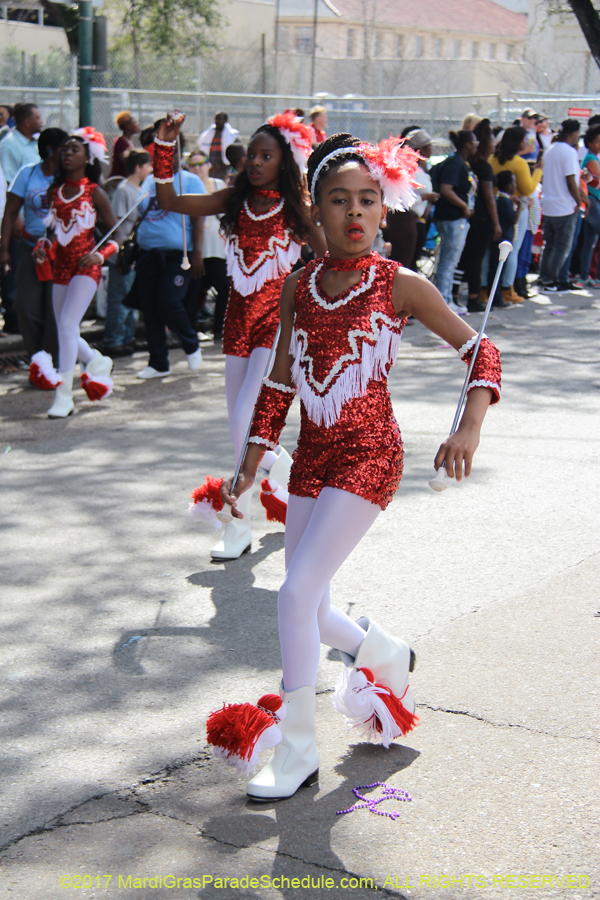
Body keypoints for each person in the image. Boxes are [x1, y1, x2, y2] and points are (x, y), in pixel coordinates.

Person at [207, 132, 502, 802]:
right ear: (316, 209)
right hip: (311, 456)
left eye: (368, 200)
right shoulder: (297, 287)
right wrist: (252, 466)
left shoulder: (403, 285)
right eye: (339, 200)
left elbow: (480, 351)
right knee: (307, 601)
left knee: (292, 594)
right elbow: (278, 386)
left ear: (384, 208)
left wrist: (469, 428)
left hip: (371, 455)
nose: (355, 213)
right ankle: (383, 652)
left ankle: (300, 748)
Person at [155, 110, 325, 560]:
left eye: (265, 155)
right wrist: (163, 147)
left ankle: (237, 525)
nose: (254, 162)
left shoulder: (296, 210)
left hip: (278, 323)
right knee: (240, 422)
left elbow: (331, 261)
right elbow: (170, 201)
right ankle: (280, 466)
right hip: (236, 321)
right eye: (251, 154)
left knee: (242, 422)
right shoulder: (233, 201)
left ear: (283, 161)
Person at [33, 129, 120, 418]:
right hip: (61, 268)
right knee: (65, 328)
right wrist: (43, 247)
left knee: (68, 323)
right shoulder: (53, 192)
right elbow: (51, 231)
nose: (67, 153)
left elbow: (116, 234)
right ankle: (96, 360)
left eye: (74, 149)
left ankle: (64, 395)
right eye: (65, 150)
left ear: (88, 157)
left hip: (87, 266)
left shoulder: (96, 192)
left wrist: (100, 254)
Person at [127, 133, 205, 379]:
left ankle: (190, 342)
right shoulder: (149, 181)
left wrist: (198, 254)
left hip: (178, 254)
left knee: (168, 302)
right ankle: (158, 363)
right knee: (150, 308)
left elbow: (199, 218)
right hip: (148, 254)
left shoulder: (190, 181)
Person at [0, 127, 68, 379]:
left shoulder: (68, 179)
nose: (69, 153)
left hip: (60, 252)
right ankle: (37, 359)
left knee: (54, 309)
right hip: (29, 248)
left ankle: (51, 365)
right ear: (51, 150)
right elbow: (9, 213)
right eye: (65, 148)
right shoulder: (27, 174)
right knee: (26, 307)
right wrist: (4, 248)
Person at [103, 149, 153, 356]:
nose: (151, 169)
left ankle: (127, 337)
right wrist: (123, 250)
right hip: (124, 254)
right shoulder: (124, 190)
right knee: (120, 297)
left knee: (131, 296)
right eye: (148, 165)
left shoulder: (140, 190)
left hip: (136, 253)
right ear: (138, 167)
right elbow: (117, 223)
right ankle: (113, 339)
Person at [0, 102, 44, 334]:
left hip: (37, 220)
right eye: (38, 117)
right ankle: (14, 320)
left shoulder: (37, 144)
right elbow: (8, 182)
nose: (41, 121)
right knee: (15, 271)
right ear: (26, 121)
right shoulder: (9, 145)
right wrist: (14, 217)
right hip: (19, 219)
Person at [490, 126, 543, 303]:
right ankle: (507, 288)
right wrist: (539, 171)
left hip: (495, 206)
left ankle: (487, 289)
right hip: (516, 207)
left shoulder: (492, 159)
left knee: (492, 251)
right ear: (518, 142)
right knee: (512, 250)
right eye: (524, 139)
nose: (526, 143)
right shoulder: (519, 163)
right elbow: (528, 188)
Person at [433, 129, 478, 315]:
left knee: (452, 261)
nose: (477, 145)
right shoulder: (454, 163)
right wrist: (464, 207)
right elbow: (446, 189)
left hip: (458, 219)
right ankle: (442, 302)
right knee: (447, 261)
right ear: (468, 144)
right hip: (451, 218)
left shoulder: (462, 163)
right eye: (475, 142)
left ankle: (448, 299)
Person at [458, 118, 501, 312]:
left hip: (471, 215)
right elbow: (489, 197)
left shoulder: (471, 164)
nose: (495, 146)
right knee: (476, 257)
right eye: (492, 142)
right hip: (482, 217)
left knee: (466, 256)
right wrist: (497, 223)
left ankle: (457, 292)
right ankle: (474, 297)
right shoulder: (483, 166)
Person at [186, 149, 229, 340]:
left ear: (208, 164)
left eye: (201, 163)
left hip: (218, 250)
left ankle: (220, 328)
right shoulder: (186, 187)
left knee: (225, 289)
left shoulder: (219, 185)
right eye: (192, 164)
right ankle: (189, 331)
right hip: (195, 250)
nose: (197, 168)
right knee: (193, 292)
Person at [382, 129, 438, 270]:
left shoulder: (420, 169)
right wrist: (425, 197)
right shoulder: (407, 170)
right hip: (402, 220)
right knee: (402, 263)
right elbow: (401, 197)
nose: (432, 149)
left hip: (411, 220)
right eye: (429, 146)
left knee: (408, 262)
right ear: (421, 150)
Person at [538, 120, 582, 293]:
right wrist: (578, 202)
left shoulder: (550, 149)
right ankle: (550, 281)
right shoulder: (569, 152)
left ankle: (544, 279)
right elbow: (571, 180)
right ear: (574, 134)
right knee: (562, 247)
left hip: (549, 204)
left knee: (549, 245)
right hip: (564, 206)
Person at [488, 171, 525, 306]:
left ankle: (495, 297)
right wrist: (520, 206)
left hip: (501, 238)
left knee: (495, 269)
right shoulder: (504, 200)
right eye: (514, 182)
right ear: (509, 185)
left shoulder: (500, 199)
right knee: (498, 270)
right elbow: (513, 219)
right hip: (503, 239)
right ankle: (496, 299)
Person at [575, 124, 600, 288]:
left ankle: (585, 276)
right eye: (598, 141)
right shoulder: (591, 159)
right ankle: (593, 277)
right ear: (590, 143)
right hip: (593, 202)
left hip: (592, 201)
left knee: (590, 241)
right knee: (590, 241)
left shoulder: (592, 158)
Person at [198, 112, 240, 181]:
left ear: (225, 121)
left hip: (225, 171)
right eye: (216, 119)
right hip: (210, 170)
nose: (217, 122)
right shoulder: (208, 135)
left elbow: (237, 156)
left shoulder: (232, 136)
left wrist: (220, 166)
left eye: (220, 119)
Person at [109, 111, 140, 178]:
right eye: (134, 122)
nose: (138, 124)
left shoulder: (126, 141)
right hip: (119, 181)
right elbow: (128, 164)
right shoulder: (122, 143)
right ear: (128, 126)